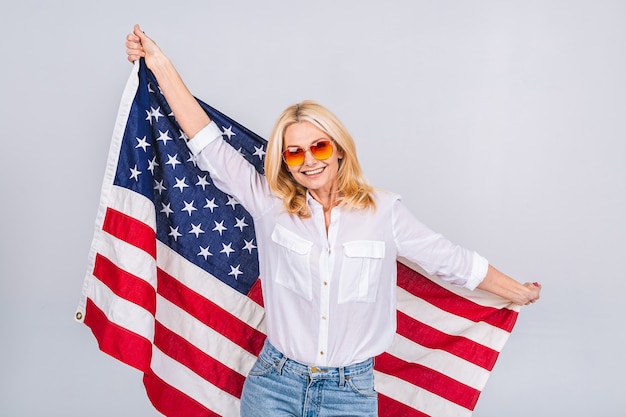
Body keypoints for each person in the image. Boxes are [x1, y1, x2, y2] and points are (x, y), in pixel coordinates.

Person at [125, 24, 541, 417]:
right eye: (294, 152)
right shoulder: (269, 204)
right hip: (274, 384)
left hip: (351, 393)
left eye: (318, 146)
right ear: (285, 162)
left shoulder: (384, 212)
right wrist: (158, 62)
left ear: (339, 149)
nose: (309, 160)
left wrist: (516, 291)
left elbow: (451, 260)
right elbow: (207, 143)